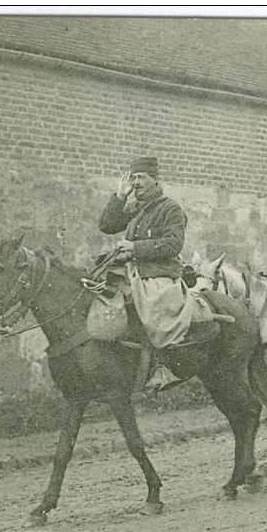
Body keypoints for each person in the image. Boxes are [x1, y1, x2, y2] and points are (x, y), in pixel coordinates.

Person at [98, 156, 215, 391]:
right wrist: (120, 197)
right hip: (132, 270)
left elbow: (173, 244)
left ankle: (163, 366)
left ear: (155, 180)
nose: (136, 182)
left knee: (152, 309)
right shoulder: (134, 208)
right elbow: (107, 226)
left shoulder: (170, 208)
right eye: (134, 178)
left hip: (159, 273)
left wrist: (135, 247)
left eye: (142, 177)